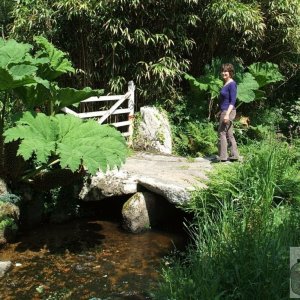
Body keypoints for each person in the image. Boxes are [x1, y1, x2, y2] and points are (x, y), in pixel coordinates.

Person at [217, 63, 239, 162]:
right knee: (229, 134)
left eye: (225, 71)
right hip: (225, 110)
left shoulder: (232, 84)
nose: (223, 73)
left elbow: (233, 101)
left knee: (222, 133)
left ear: (230, 72)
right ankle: (234, 156)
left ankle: (223, 157)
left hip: (228, 111)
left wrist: (226, 114)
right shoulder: (226, 83)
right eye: (222, 71)